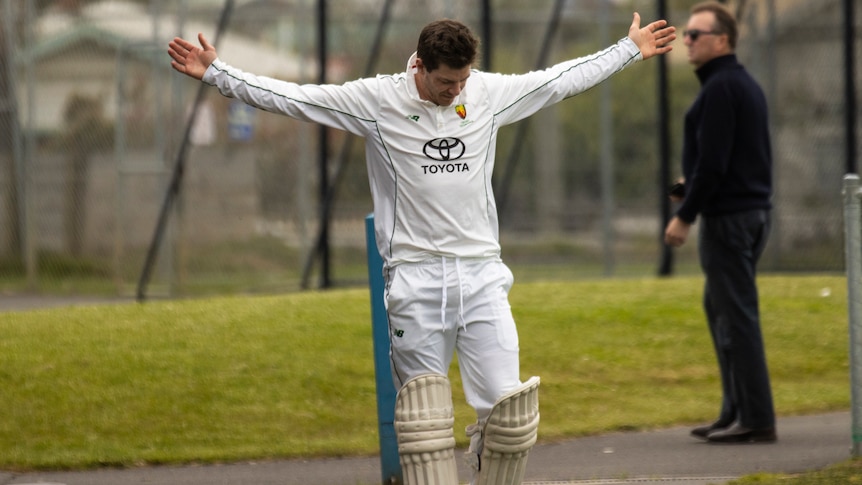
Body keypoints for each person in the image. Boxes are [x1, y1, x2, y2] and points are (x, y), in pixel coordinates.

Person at [170, 14, 675, 484]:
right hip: (415, 278)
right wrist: (217, 74)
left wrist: (628, 50)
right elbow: (294, 97)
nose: (455, 91)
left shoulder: (486, 93)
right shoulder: (375, 101)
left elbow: (562, 78)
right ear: (420, 64)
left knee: (509, 415)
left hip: (481, 275)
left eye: (462, 81)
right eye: (444, 83)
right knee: (424, 426)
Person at [664, 1, 776, 444]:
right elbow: (729, 161)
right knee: (722, 311)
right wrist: (685, 188)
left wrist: (684, 215)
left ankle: (757, 419)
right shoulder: (736, 84)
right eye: (687, 34)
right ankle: (735, 412)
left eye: (696, 34)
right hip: (748, 212)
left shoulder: (721, 89)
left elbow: (714, 164)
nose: (687, 41)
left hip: (730, 221)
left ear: (722, 40)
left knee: (738, 316)